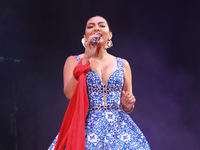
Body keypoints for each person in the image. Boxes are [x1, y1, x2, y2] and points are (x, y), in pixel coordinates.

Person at [48, 16, 150, 150]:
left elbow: (128, 104)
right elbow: (70, 94)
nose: (96, 28)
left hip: (118, 128)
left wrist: (127, 104)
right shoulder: (74, 61)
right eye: (91, 26)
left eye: (101, 25)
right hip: (87, 126)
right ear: (85, 37)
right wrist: (86, 57)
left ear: (110, 35)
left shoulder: (123, 64)